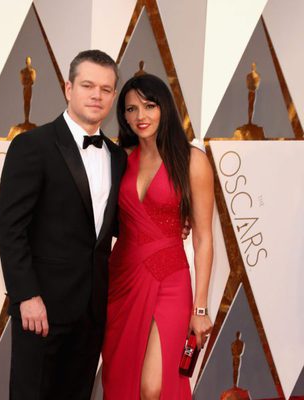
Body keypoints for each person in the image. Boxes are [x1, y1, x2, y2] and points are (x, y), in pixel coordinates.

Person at [0, 50, 127, 399]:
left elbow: (111, 226)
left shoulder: (117, 157)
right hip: (41, 308)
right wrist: (26, 295)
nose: (96, 95)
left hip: (92, 310)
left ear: (113, 96)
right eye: (87, 85)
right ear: (68, 88)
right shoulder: (32, 146)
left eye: (105, 88)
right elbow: (10, 228)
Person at [102, 73, 214, 399]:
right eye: (131, 109)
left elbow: (204, 238)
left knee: (153, 387)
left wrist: (201, 308)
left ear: (164, 107)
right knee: (121, 379)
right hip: (121, 278)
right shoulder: (120, 159)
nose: (141, 117)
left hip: (170, 279)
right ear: (123, 115)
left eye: (149, 106)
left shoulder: (193, 160)